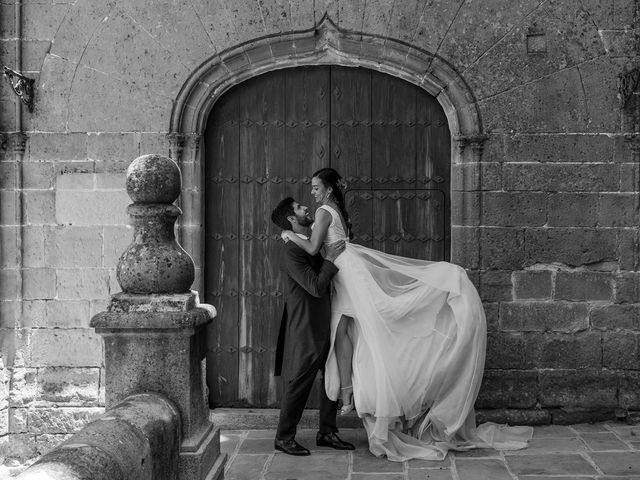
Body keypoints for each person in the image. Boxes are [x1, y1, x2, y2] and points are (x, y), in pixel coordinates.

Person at [281, 168, 533, 461]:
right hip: (344, 270)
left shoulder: (324, 210)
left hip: (344, 271)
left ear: (327, 190)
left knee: (357, 326)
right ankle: (346, 399)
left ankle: (350, 396)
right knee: (347, 329)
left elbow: (313, 246)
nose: (311, 193)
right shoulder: (335, 208)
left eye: (314, 188)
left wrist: (288, 234)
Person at [271, 197, 356, 456]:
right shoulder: (292, 251)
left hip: (322, 321)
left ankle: (327, 432)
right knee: (300, 381)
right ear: (291, 219)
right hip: (306, 325)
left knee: (330, 372)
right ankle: (284, 438)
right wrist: (329, 258)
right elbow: (316, 287)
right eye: (299, 208)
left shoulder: (307, 246)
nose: (306, 208)